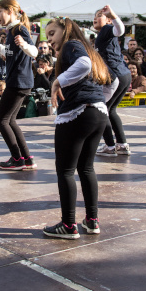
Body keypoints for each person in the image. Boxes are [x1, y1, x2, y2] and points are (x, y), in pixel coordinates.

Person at [42, 17, 110, 239]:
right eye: (47, 36)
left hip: (78, 113)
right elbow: (112, 80)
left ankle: (68, 225)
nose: (49, 40)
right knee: (86, 168)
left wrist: (57, 81)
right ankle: (92, 221)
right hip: (98, 113)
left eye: (52, 33)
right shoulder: (87, 48)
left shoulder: (72, 45)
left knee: (66, 171)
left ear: (66, 29)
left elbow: (84, 65)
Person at [0, 0, 38, 171]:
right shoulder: (11, 31)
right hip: (18, 82)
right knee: (10, 120)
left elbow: (34, 51)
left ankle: (17, 159)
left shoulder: (20, 29)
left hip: (18, 82)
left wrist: (25, 44)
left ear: (10, 11)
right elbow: (9, 53)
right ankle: (27, 158)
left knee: (1, 120)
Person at [93, 5, 132, 157]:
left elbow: (120, 30)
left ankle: (110, 146)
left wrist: (113, 15)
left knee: (101, 110)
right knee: (110, 110)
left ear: (108, 20)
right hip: (124, 75)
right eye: (94, 16)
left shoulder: (107, 29)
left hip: (116, 76)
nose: (95, 18)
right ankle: (121, 144)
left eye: (99, 15)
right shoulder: (102, 34)